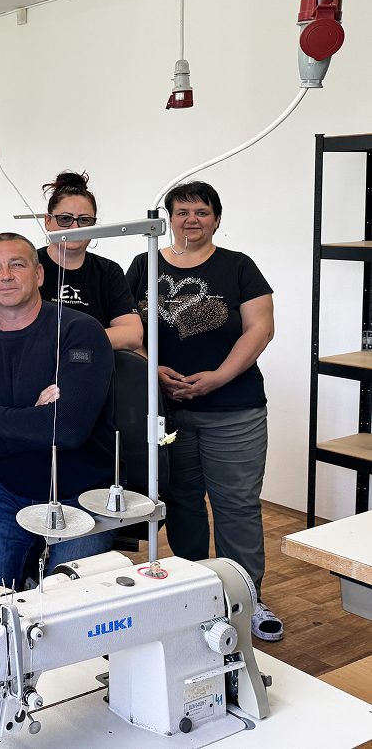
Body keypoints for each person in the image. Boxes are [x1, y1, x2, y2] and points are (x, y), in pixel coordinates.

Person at [125, 181, 281, 642]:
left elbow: (260, 329)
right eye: (182, 211)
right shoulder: (144, 264)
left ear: (216, 218)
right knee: (183, 504)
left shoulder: (238, 267)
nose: (191, 219)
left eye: (202, 211)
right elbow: (128, 330)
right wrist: (151, 369)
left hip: (233, 410)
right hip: (167, 412)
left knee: (237, 507)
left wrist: (219, 376)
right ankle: (194, 596)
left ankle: (245, 599)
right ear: (168, 219)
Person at [0, 233, 116, 590]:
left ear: (39, 274)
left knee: (69, 602)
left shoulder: (80, 332)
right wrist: (34, 422)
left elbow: (67, 431)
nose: (5, 275)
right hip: (10, 493)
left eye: (17, 264)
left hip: (83, 495)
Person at [37, 171, 143, 351]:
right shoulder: (28, 265)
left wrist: (67, 341)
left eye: (84, 220)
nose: (75, 228)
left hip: (92, 364)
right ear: (48, 221)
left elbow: (133, 335)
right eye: (65, 219)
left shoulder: (108, 272)